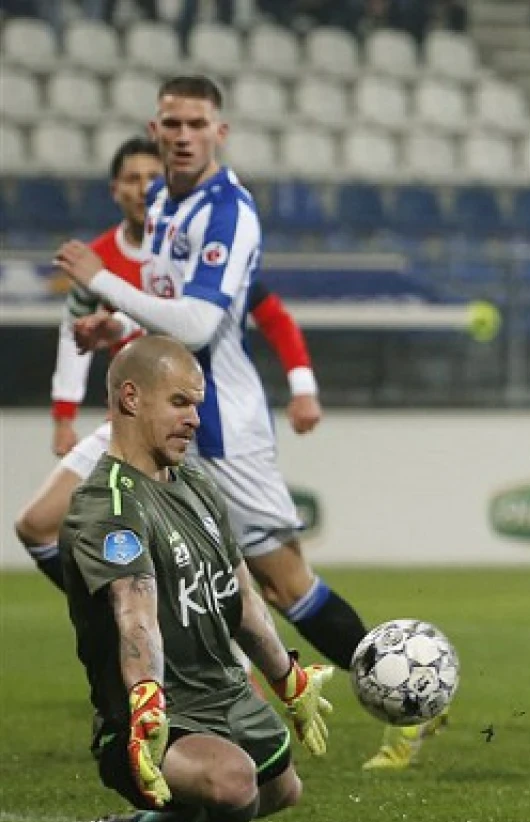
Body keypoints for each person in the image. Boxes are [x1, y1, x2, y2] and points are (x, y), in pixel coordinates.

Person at [53, 75, 441, 771]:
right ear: (156, 126)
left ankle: (406, 694)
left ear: (218, 132)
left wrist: (102, 280)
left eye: (195, 123)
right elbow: (170, 306)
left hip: (221, 430)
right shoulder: (170, 206)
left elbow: (203, 322)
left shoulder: (228, 211)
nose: (181, 135)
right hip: (160, 419)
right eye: (171, 122)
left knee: (285, 585)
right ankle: (149, 692)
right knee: (42, 519)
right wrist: (112, 321)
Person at [62, 335, 332, 822]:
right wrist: (145, 707)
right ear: (131, 398)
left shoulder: (197, 483)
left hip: (224, 695)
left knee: (281, 792)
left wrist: (287, 680)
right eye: (180, 402)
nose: (194, 420)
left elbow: (243, 598)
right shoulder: (109, 503)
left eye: (198, 406)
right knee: (233, 785)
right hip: (157, 715)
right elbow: (134, 614)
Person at [15, 137, 322, 600]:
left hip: (203, 420)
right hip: (132, 423)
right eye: (132, 179)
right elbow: (73, 332)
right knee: (40, 525)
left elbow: (271, 316)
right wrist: (63, 416)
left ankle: (228, 656)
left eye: (151, 178)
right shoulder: (96, 257)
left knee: (255, 576)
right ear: (114, 189)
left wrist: (302, 387)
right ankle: (124, 623)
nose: (143, 189)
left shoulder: (195, 247)